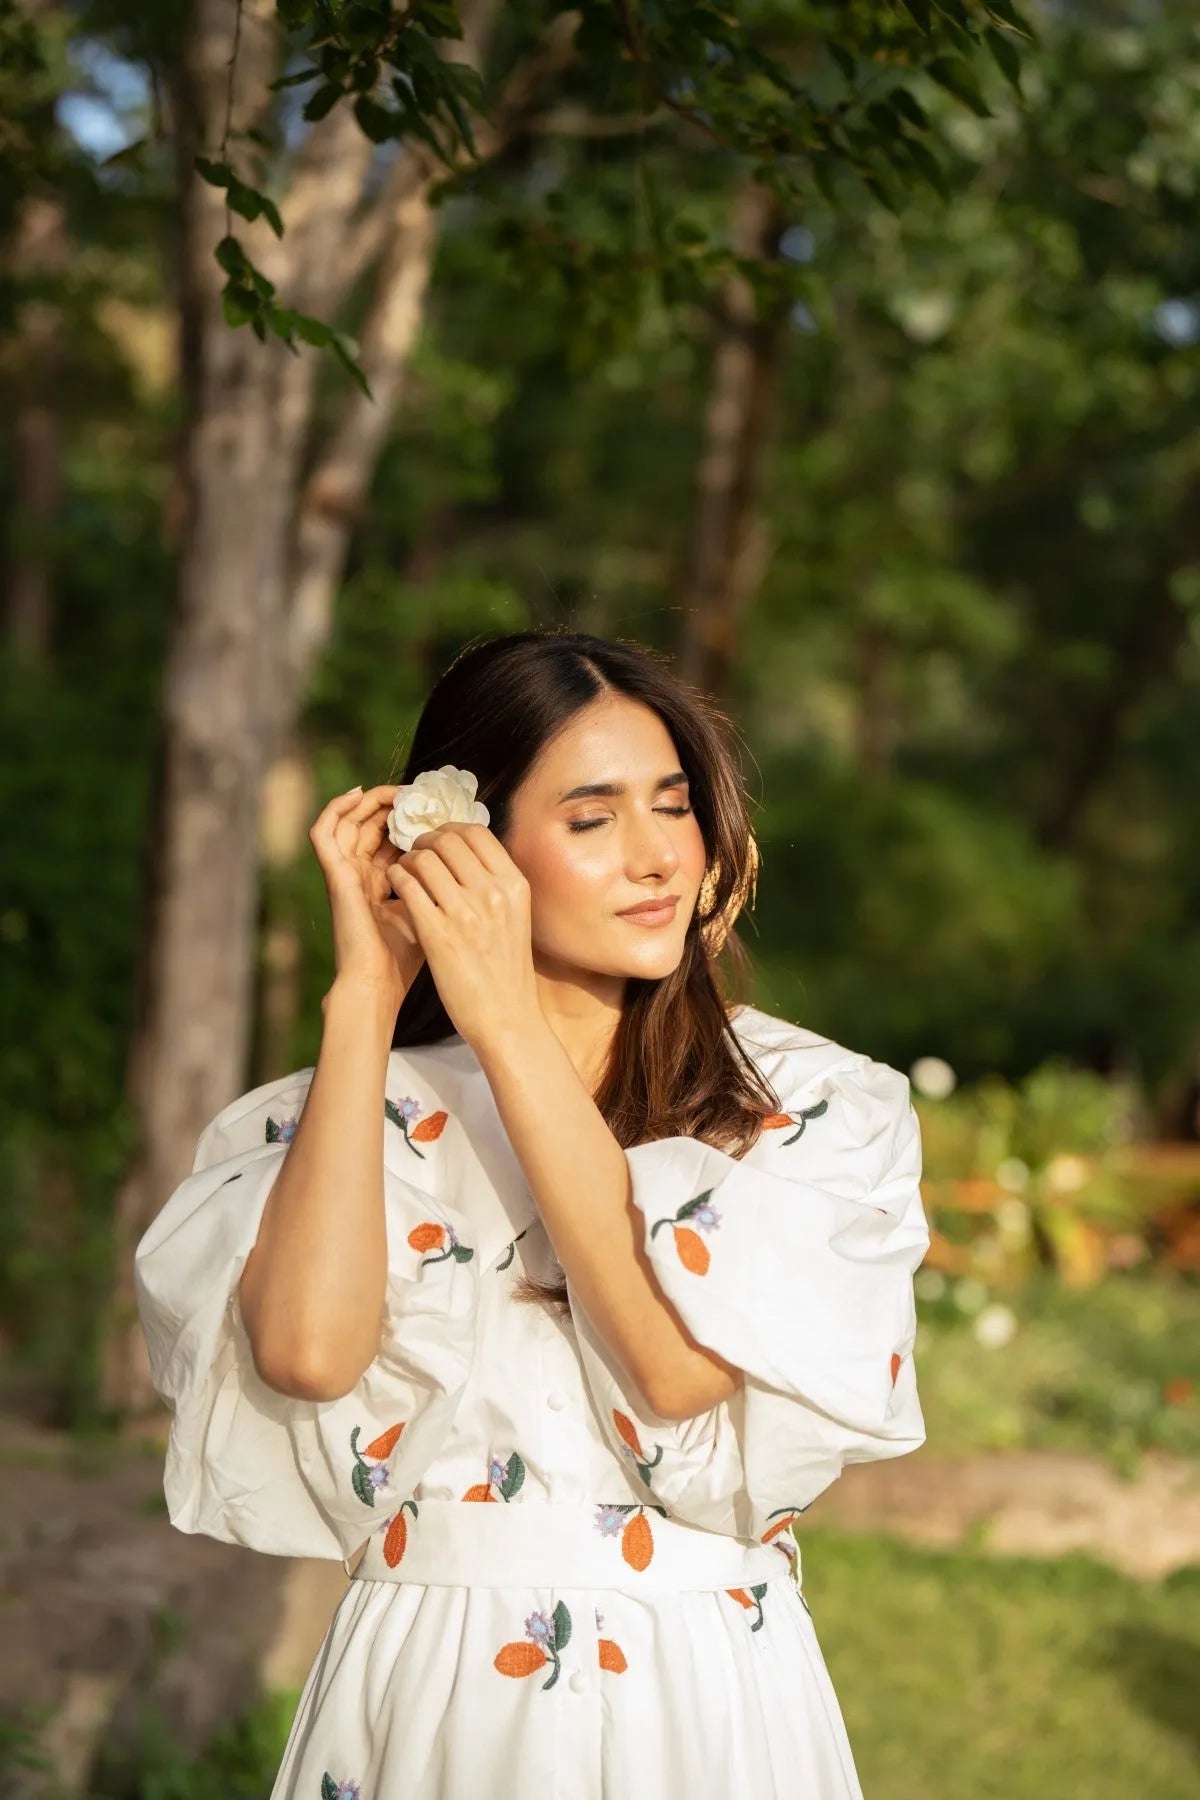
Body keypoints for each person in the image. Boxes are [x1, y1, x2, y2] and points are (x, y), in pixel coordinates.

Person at [135, 628, 931, 1799]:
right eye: (593, 818)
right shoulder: (348, 1113)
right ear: (473, 854)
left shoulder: (804, 1106)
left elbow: (675, 1373)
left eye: (674, 806)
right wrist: (368, 996)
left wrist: (504, 1019)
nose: (658, 857)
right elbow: (305, 1355)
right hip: (435, 1691)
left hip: (700, 1691)